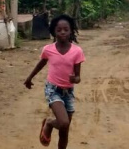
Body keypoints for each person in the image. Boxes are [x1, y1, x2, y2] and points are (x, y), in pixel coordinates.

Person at [24, 14, 86, 149]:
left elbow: (78, 77)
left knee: (65, 130)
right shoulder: (48, 49)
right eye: (59, 30)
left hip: (68, 92)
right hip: (53, 90)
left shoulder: (77, 51)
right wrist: (29, 78)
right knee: (63, 123)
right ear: (54, 31)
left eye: (66, 29)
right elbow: (41, 64)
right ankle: (50, 123)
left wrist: (75, 79)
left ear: (71, 31)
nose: (63, 32)